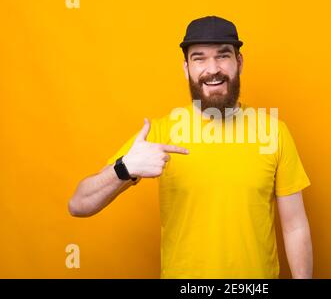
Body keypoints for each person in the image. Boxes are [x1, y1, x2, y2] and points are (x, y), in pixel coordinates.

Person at [68, 16, 313, 279]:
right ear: (186, 68)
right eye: (199, 58)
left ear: (238, 62)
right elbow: (79, 204)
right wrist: (124, 168)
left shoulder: (273, 132)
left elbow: (295, 226)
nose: (213, 68)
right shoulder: (160, 134)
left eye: (222, 56)